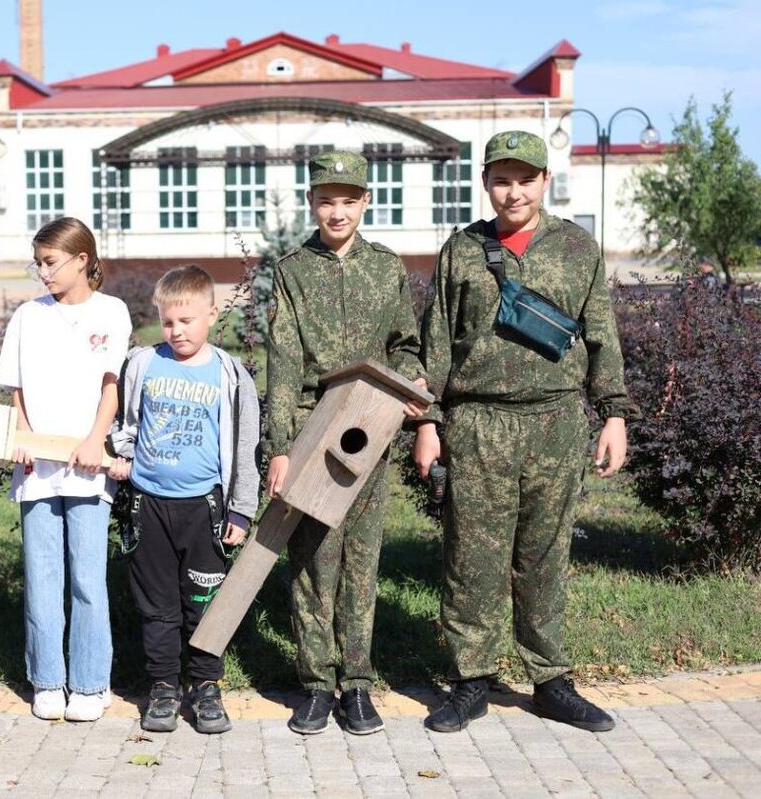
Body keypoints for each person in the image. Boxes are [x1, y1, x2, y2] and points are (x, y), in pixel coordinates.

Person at [415, 131, 637, 734]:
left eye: (525, 179)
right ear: (486, 183)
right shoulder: (462, 250)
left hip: (556, 420)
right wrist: (429, 421)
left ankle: (550, 680)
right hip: (479, 421)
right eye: (501, 179)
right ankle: (470, 680)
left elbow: (601, 334)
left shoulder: (576, 248)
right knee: (473, 556)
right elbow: (437, 340)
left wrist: (612, 412)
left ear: (545, 182)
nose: (513, 191)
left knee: (544, 553)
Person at [266, 152, 429, 736]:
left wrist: (412, 384)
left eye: (348, 199)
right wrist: (279, 446)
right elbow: (282, 363)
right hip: (313, 425)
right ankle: (314, 683)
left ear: (365, 202)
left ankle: (356, 684)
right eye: (326, 199)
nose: (337, 211)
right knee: (312, 559)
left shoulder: (387, 268)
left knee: (361, 561)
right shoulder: (291, 270)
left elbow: (406, 344)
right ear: (313, 202)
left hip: (370, 426)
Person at [108, 265, 261, 735]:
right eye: (168, 322)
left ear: (211, 315)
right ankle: (162, 686)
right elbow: (128, 424)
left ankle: (206, 685)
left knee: (204, 603)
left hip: (205, 510)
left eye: (187, 321)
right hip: (149, 506)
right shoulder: (142, 364)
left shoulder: (230, 376)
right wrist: (122, 459)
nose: (176, 332)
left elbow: (244, 449)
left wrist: (241, 507)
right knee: (157, 606)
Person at [0, 216, 132, 722]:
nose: (43, 273)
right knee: (43, 576)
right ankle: (48, 679)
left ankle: (92, 683)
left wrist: (97, 439)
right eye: (38, 264)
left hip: (88, 466)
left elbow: (110, 384)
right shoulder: (28, 316)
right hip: (37, 469)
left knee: (88, 579)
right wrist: (23, 437)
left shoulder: (112, 312)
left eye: (50, 263)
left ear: (81, 260)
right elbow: (17, 388)